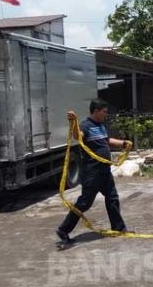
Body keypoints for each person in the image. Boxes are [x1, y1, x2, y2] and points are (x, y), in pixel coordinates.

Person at [56, 98, 132, 244]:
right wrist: (73, 123)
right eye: (104, 112)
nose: (106, 114)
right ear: (96, 111)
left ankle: (118, 228)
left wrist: (123, 143)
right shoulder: (85, 126)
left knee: (113, 198)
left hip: (104, 171)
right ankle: (63, 230)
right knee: (85, 202)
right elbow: (78, 137)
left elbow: (107, 140)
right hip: (92, 172)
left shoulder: (100, 126)